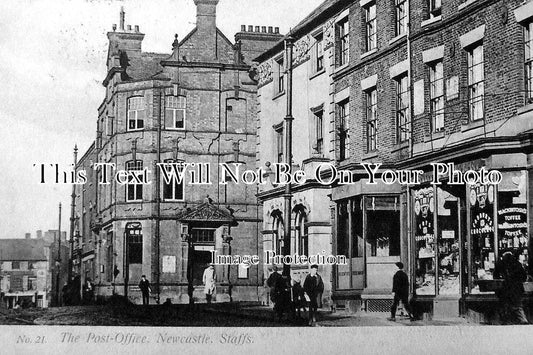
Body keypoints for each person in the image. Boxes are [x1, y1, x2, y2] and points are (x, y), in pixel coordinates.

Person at [494, 252, 529, 325]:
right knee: (517, 305)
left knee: (505, 305)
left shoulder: (500, 264)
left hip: (505, 288)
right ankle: (523, 320)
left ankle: (506, 321)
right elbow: (524, 276)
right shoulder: (517, 263)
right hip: (517, 288)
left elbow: (495, 276)